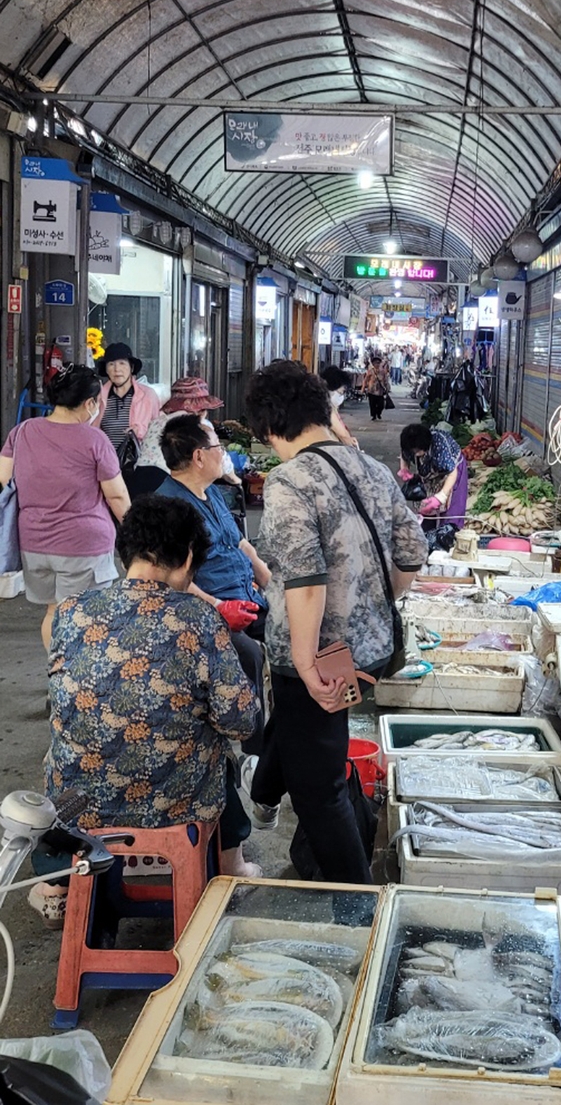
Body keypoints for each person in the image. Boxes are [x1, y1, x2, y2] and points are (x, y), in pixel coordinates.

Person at [28, 496, 261, 927]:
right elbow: (240, 719)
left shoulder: (71, 612)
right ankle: (233, 866)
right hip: (175, 802)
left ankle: (57, 882)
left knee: (66, 753)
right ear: (189, 556)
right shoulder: (199, 619)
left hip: (78, 805)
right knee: (219, 753)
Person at [243, 360, 427, 882]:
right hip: (373, 647)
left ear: (272, 425)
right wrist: (375, 599)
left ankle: (360, 899)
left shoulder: (289, 481)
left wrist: (305, 662)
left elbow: (304, 579)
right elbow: (412, 551)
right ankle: (264, 790)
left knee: (318, 789)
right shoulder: (371, 468)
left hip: (320, 654)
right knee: (310, 731)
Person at [155, 414, 271, 750]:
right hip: (204, 608)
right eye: (218, 447)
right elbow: (173, 576)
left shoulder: (212, 493)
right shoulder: (170, 505)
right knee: (248, 655)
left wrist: (269, 581)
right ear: (199, 457)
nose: (224, 454)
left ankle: (283, 735)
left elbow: (240, 543)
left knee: (294, 631)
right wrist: (219, 607)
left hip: (247, 597)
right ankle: (253, 751)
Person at [0, 364, 131, 650]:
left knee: (54, 612)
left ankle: (57, 680)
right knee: (87, 617)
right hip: (82, 546)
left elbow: (5, 477)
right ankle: (79, 686)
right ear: (89, 403)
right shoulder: (94, 439)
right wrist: (136, 535)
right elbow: (117, 496)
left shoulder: (22, 432)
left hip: (34, 544)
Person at [136, 376, 238, 496]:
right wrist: (236, 481)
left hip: (139, 481)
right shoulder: (200, 425)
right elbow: (222, 461)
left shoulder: (156, 422)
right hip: (170, 487)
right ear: (200, 409)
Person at [92, 341, 161, 451]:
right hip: (106, 463)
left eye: (122, 363)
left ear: (131, 368)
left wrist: (139, 432)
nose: (117, 369)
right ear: (106, 370)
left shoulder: (148, 395)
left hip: (139, 463)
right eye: (111, 364)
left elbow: (158, 432)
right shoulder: (98, 397)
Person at [399, 422, 468, 529]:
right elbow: (403, 455)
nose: (415, 454)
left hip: (452, 470)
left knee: (451, 510)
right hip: (430, 472)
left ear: (424, 447)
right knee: (425, 505)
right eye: (412, 452)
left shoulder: (439, 447)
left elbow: (452, 473)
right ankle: (427, 531)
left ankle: (447, 534)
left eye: (417, 451)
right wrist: (404, 469)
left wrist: (441, 496)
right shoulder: (410, 446)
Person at [319, 365, 359, 448]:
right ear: (331, 389)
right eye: (342, 392)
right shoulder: (326, 409)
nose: (342, 396)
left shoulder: (329, 407)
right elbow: (343, 434)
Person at [362, 354, 390, 422]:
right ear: (373, 364)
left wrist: (387, 388)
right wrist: (363, 388)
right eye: (375, 363)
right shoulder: (370, 371)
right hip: (371, 390)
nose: (377, 364)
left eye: (378, 363)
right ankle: (373, 415)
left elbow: (385, 380)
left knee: (381, 405)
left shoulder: (383, 372)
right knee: (372, 404)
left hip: (380, 391)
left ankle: (378, 412)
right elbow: (366, 379)